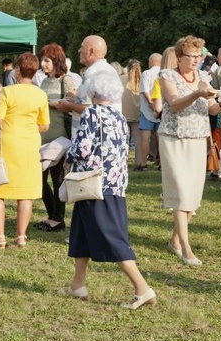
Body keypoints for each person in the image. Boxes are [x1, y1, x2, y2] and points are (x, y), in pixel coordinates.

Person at [59, 73, 156, 309]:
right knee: (81, 233)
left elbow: (82, 148)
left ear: (92, 92)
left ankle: (143, 288)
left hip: (95, 182)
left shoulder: (91, 113)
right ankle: (77, 285)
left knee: (112, 237)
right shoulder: (119, 117)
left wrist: (66, 156)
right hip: (114, 183)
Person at [159, 36, 221, 266]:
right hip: (174, 138)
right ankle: (186, 249)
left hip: (198, 139)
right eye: (192, 56)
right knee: (180, 193)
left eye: (199, 56)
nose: (197, 60)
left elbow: (211, 108)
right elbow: (175, 104)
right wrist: (197, 93)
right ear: (179, 57)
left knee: (193, 196)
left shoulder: (203, 77)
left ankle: (175, 240)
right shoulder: (167, 76)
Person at [0, 53, 50, 248]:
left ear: (18, 70)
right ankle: (21, 236)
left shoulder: (7, 92)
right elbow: (44, 125)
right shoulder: (40, 94)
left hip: (8, 144)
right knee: (26, 192)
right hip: (30, 145)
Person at [35, 44, 75, 233]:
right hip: (42, 137)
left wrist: (46, 103)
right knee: (39, 180)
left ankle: (58, 219)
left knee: (57, 180)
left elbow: (70, 104)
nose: (43, 64)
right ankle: (53, 215)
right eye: (43, 60)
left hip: (59, 139)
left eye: (47, 60)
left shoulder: (65, 81)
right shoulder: (43, 82)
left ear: (56, 61)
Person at [56, 35, 121, 138]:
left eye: (82, 47)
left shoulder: (93, 73)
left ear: (90, 52)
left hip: (94, 139)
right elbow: (97, 103)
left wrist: (67, 105)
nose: (79, 50)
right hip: (106, 135)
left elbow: (88, 108)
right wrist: (76, 99)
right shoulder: (108, 70)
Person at [134, 53, 162, 170]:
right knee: (160, 137)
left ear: (151, 62)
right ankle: (161, 163)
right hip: (161, 110)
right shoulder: (164, 73)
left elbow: (145, 91)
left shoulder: (146, 73)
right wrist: (157, 107)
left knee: (145, 137)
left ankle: (143, 163)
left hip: (147, 110)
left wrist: (151, 104)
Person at [121, 59, 142, 161]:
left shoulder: (121, 79)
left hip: (123, 112)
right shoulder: (141, 80)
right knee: (138, 139)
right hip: (137, 112)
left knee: (124, 138)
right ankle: (138, 162)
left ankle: (123, 160)